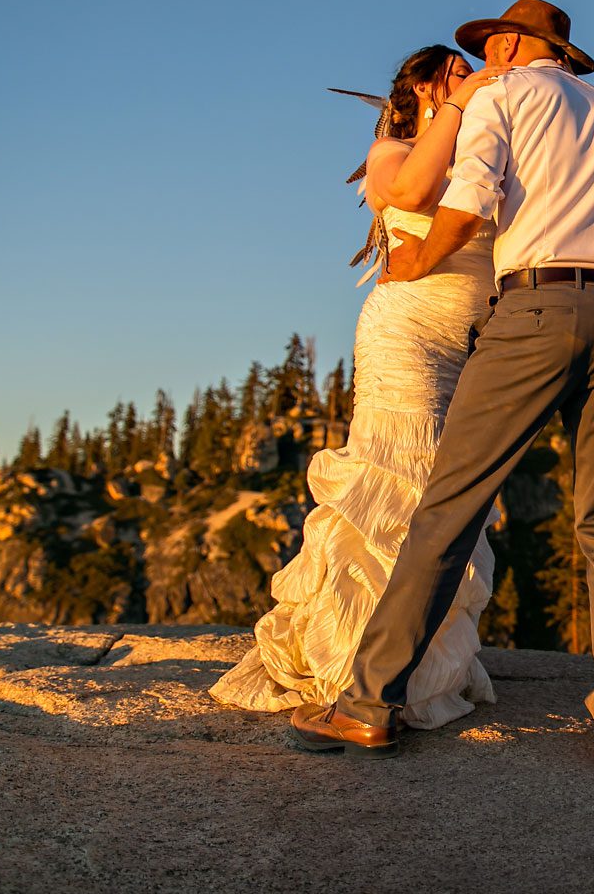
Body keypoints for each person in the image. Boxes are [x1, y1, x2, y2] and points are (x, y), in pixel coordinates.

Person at [289, 0, 594, 767]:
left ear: (516, 45)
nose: (485, 60)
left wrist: (417, 262)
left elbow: (464, 201)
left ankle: (368, 705)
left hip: (535, 309)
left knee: (448, 507)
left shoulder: (503, 96)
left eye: (492, 45)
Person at [210, 45, 511, 728]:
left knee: (440, 487)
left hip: (462, 345)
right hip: (404, 334)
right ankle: (358, 660)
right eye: (460, 71)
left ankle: (415, 654)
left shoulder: (486, 157)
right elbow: (405, 195)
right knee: (396, 481)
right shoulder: (394, 150)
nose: (477, 77)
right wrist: (460, 108)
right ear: (427, 85)